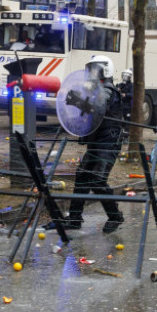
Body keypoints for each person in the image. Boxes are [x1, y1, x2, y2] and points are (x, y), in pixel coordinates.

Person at [60, 55, 124, 233]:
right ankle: (75, 218)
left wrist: (77, 100)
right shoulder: (95, 91)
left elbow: (98, 107)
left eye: (94, 69)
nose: (91, 73)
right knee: (82, 175)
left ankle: (115, 216)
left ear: (105, 70)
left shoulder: (109, 90)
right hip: (96, 141)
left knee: (97, 179)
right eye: (90, 69)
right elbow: (89, 117)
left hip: (109, 141)